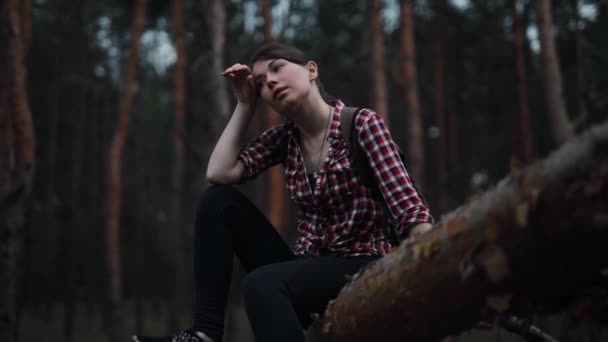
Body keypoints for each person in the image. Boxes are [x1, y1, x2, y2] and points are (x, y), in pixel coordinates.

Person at [132, 43, 433, 342]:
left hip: (364, 265)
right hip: (308, 271)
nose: (270, 82)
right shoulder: (284, 140)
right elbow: (219, 173)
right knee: (218, 201)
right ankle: (205, 334)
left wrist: (428, 267)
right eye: (261, 83)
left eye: (277, 68)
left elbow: (409, 208)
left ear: (311, 70)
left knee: (261, 284)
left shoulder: (361, 124)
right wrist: (245, 105)